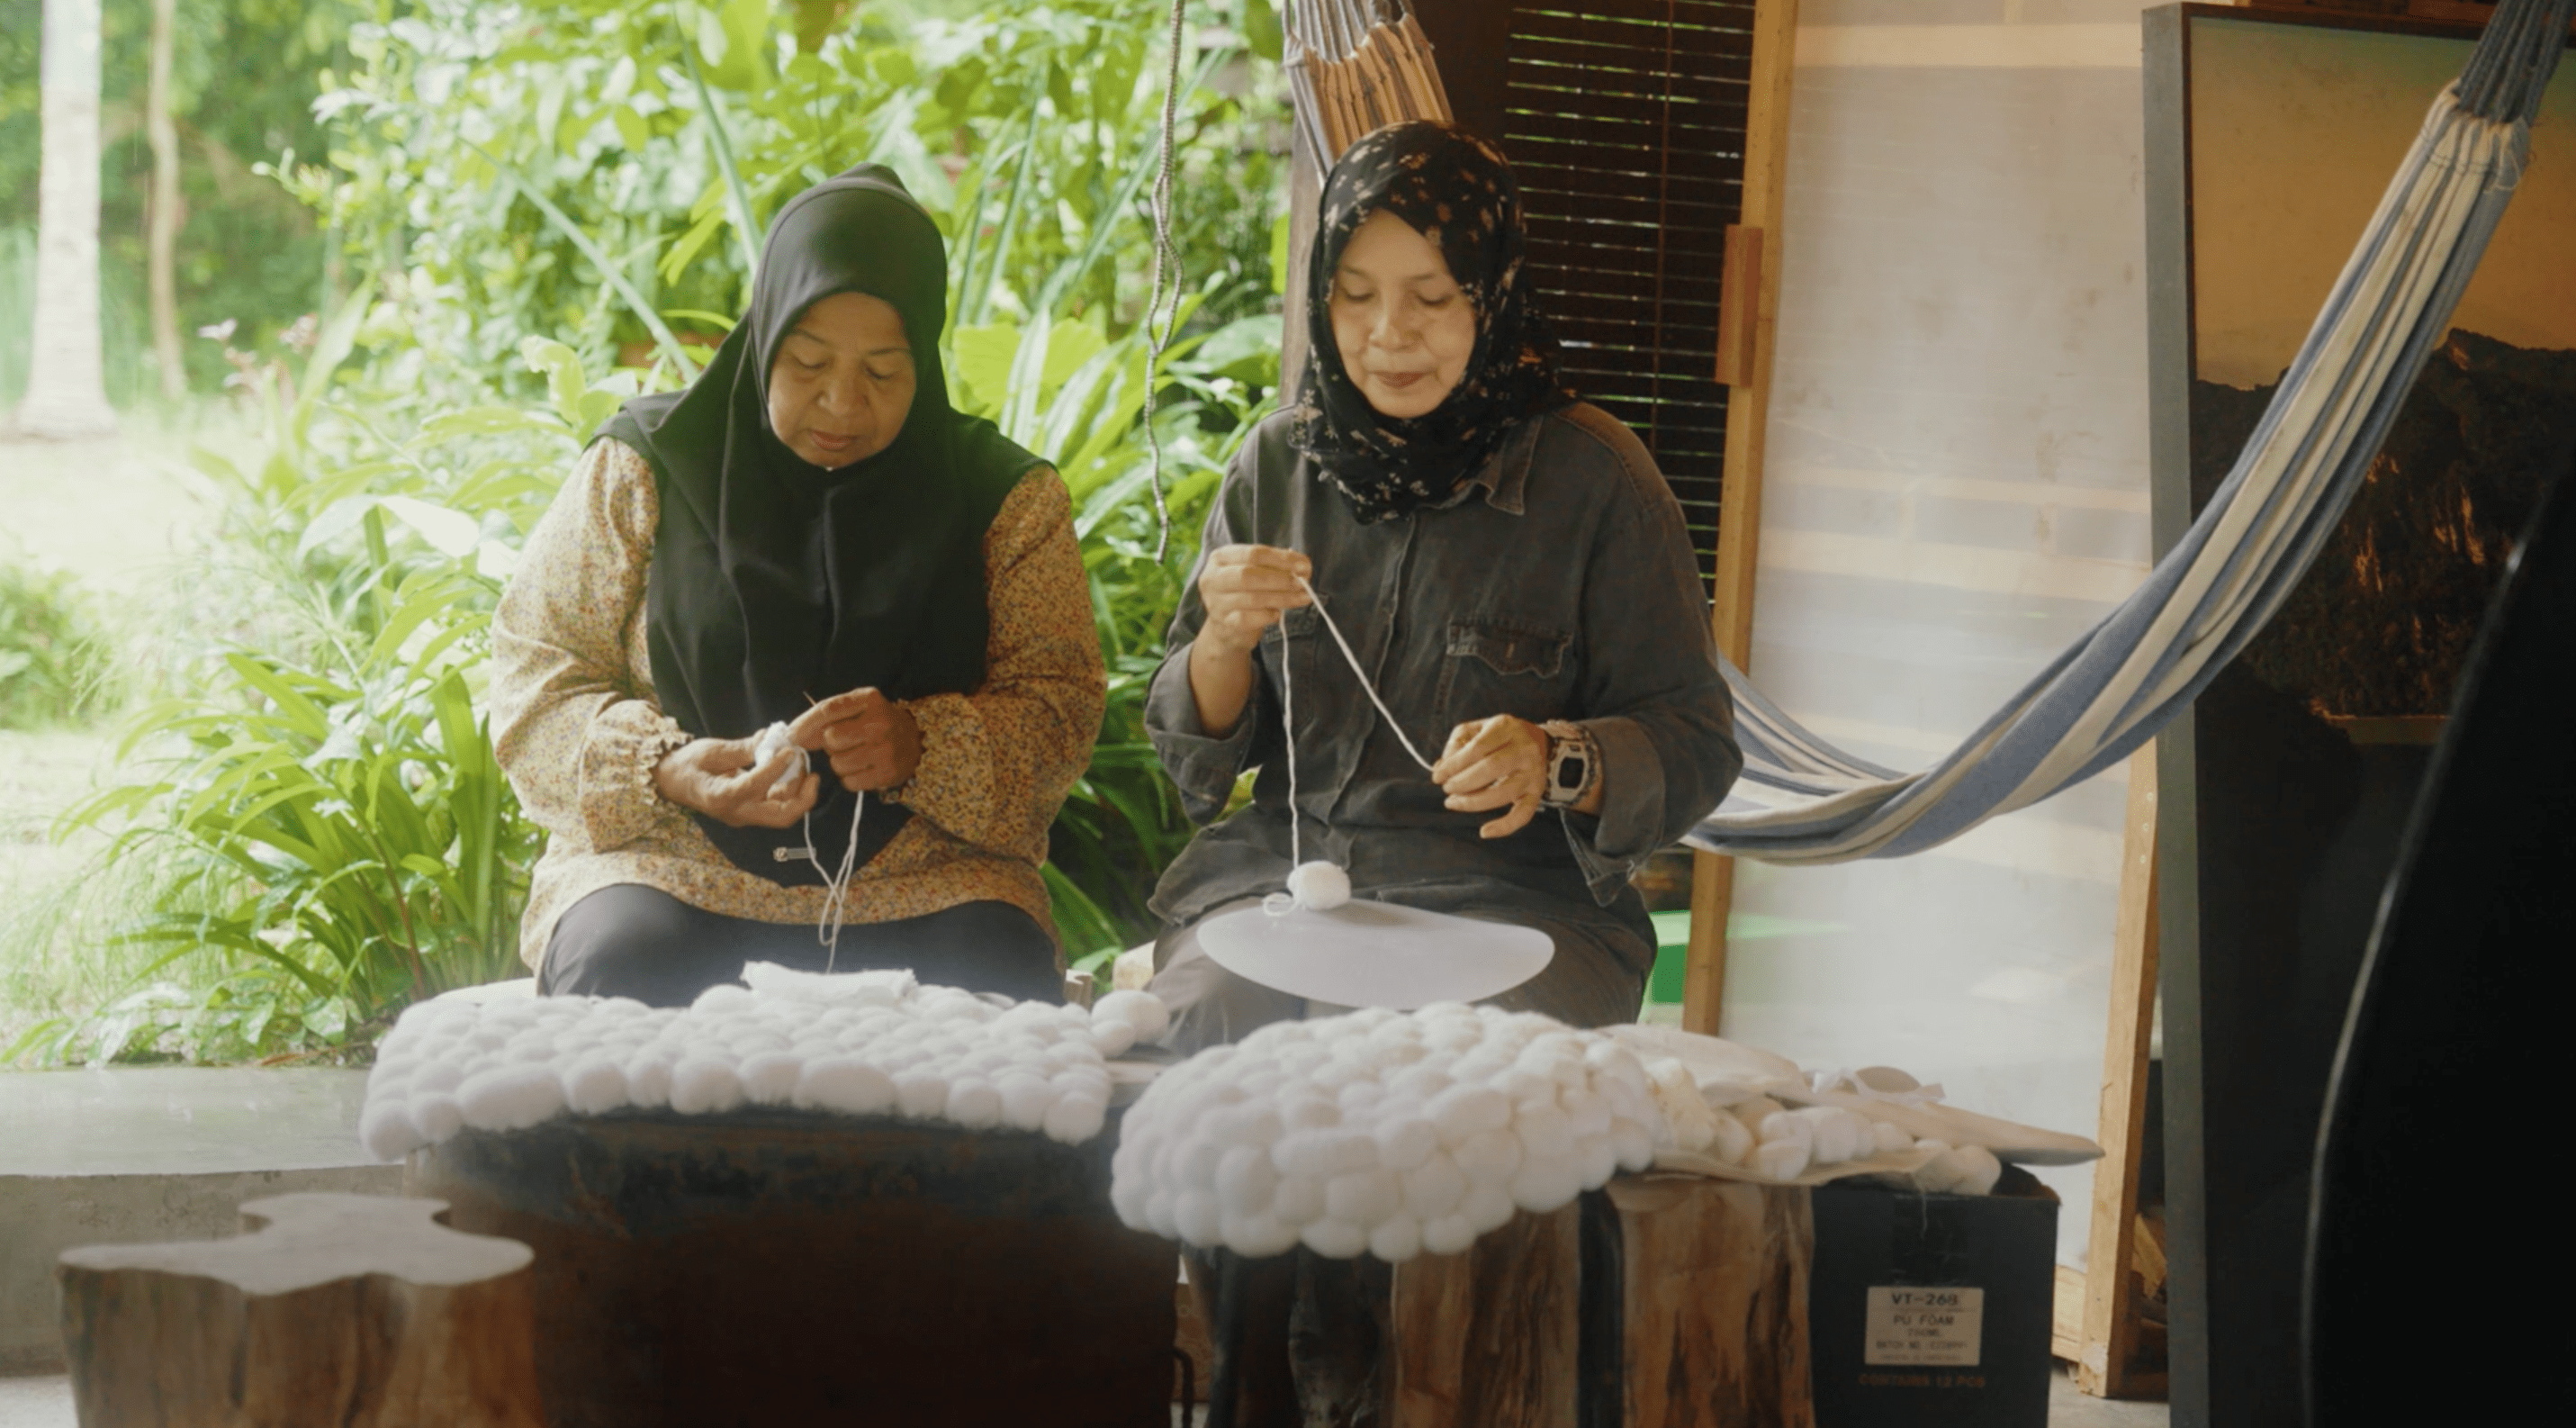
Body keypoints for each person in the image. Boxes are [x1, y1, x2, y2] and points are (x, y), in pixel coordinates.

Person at [1142, 122, 1743, 1420]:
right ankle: (1254, 1379)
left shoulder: (1597, 478)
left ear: (1494, 297)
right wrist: (1225, 643)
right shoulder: (1275, 463)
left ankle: (1419, 1385)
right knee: (1206, 1032)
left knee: (1452, 1082)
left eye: (1429, 296)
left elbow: (1695, 737)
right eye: (1353, 297)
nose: (1387, 335)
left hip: (1520, 904)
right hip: (1295, 876)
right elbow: (1196, 746)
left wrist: (1560, 757)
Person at [490, 165, 1103, 1008]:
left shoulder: (1006, 498)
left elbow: (1060, 708)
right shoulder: (646, 466)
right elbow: (536, 674)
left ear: (924, 355)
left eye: (884, 372)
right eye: (808, 361)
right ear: (762, 333)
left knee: (993, 971)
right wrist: (669, 769)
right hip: (676, 867)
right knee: (621, 966)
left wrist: (924, 746)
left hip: (926, 880)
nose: (842, 403)